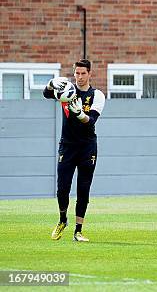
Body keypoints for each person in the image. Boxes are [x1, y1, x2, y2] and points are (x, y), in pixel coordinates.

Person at [45, 59, 106, 242]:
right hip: (68, 145)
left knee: (83, 189)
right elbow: (46, 94)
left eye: (83, 73)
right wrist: (51, 84)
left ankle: (78, 231)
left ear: (90, 74)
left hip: (87, 146)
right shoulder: (67, 90)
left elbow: (92, 121)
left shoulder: (97, 95)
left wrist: (80, 114)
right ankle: (63, 219)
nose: (79, 77)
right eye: (77, 73)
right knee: (62, 188)